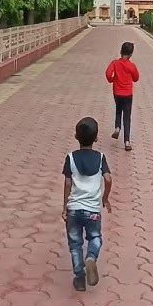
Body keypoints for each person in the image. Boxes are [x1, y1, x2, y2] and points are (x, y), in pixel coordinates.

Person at [62, 117, 112, 292]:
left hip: (74, 209)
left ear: (76, 136)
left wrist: (64, 208)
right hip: (92, 210)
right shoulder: (100, 158)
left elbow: (68, 184)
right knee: (95, 238)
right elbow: (108, 178)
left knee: (75, 243)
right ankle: (91, 257)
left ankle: (79, 278)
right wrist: (105, 198)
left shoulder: (70, 158)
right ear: (96, 139)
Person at [105, 41, 139, 151]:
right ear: (131, 54)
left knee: (118, 111)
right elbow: (136, 78)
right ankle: (127, 142)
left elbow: (108, 74)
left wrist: (112, 80)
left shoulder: (114, 63)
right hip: (128, 94)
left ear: (121, 51)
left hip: (117, 93)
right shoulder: (132, 66)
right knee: (127, 116)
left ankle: (117, 127)